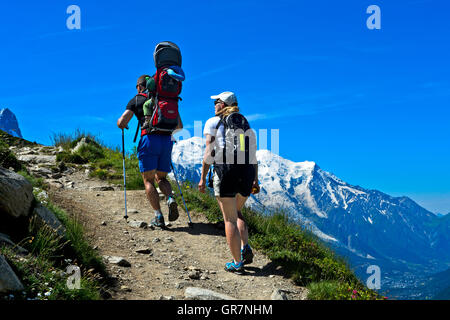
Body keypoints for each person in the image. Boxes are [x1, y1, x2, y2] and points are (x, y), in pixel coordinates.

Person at [198, 91, 260, 273]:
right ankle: (245, 246)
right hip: (246, 171)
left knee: (230, 219)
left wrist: (203, 176)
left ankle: (237, 262)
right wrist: (255, 178)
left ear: (223, 104)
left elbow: (209, 151)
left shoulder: (213, 122)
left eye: (216, 102)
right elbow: (253, 154)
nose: (214, 105)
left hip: (226, 170)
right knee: (237, 211)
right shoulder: (244, 122)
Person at [117, 75, 183, 227]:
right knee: (162, 178)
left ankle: (158, 216)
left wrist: (122, 125)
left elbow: (122, 122)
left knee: (148, 180)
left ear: (139, 86)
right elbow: (179, 126)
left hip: (149, 139)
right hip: (166, 140)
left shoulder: (137, 99)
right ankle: (170, 198)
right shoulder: (165, 98)